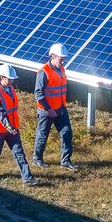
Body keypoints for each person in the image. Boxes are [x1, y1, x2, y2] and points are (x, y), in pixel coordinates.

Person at [0, 64, 37, 186]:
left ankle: (27, 178)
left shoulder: (10, 89)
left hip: (12, 128)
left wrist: (12, 128)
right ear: (2, 77)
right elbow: (0, 114)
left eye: (12, 79)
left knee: (19, 153)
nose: (12, 81)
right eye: (9, 79)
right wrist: (9, 127)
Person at [33, 42, 77, 172]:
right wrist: (49, 109)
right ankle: (37, 159)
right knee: (42, 135)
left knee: (67, 133)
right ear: (53, 56)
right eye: (60, 59)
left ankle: (66, 161)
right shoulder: (43, 72)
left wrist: (61, 107)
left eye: (64, 59)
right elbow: (38, 94)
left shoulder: (61, 69)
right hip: (46, 112)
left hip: (60, 108)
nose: (63, 62)